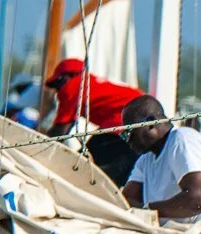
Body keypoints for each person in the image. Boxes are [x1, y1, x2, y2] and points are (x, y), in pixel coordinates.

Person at [121, 95, 201, 224]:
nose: (127, 140)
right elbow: (125, 201)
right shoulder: (145, 160)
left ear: (151, 123)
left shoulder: (183, 139)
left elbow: (197, 201)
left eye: (128, 132)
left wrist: (147, 210)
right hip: (181, 233)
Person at [42, 57, 147, 186]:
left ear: (67, 77)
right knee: (112, 170)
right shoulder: (91, 83)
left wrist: (39, 149)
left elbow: (61, 130)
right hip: (140, 123)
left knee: (82, 168)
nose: (58, 91)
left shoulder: (74, 86)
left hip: (122, 123)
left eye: (57, 84)